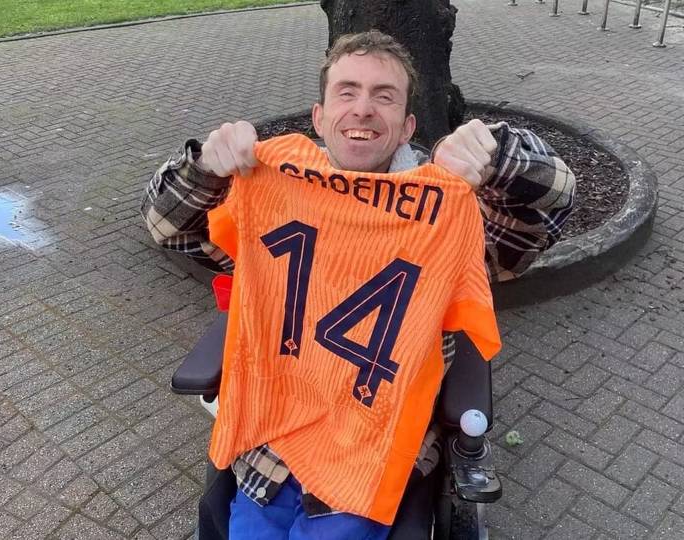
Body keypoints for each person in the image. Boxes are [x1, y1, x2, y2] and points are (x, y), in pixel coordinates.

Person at [142, 30, 575, 540]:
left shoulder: (445, 207)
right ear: (320, 117)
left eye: (383, 96)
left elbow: (549, 211)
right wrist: (205, 167)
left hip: (377, 444)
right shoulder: (274, 192)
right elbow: (164, 226)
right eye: (347, 92)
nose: (363, 109)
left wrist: (499, 155)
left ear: (408, 125)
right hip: (273, 437)